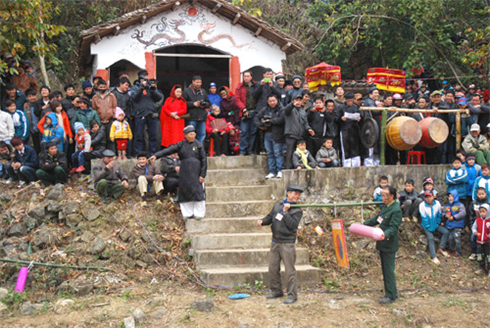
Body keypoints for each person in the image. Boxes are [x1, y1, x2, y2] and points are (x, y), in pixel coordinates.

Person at [257, 185, 304, 304]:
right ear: (288, 193)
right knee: (273, 268)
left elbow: (292, 225)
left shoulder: (297, 210)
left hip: (287, 243)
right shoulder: (277, 205)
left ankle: (292, 295)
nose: (296, 196)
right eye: (294, 193)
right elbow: (270, 217)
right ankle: (276, 291)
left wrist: (286, 212)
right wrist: (262, 221)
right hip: (275, 242)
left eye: (298, 194)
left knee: (290, 270)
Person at [150, 125, 207, 219]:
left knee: (198, 191)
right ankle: (187, 213)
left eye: (194, 134)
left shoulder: (199, 145)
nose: (192, 136)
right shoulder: (181, 145)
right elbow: (168, 150)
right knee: (185, 190)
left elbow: (204, 160)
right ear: (185, 135)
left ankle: (199, 213)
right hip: (184, 169)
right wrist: (156, 155)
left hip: (196, 170)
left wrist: (202, 174)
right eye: (190, 134)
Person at [363, 185, 402, 304]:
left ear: (391, 196)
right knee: (385, 269)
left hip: (388, 244)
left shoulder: (396, 210)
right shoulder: (386, 207)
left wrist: (383, 235)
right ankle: (392, 291)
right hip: (382, 243)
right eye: (382, 195)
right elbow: (377, 219)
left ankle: (390, 296)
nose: (382, 197)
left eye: (385, 195)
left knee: (388, 270)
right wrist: (363, 225)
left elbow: (393, 228)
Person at [131, 70, 164, 155]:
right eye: (143, 77)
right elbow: (134, 98)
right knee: (138, 135)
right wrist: (141, 89)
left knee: (153, 136)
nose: (145, 79)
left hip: (151, 114)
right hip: (140, 114)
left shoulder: (150, 86)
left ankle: (151, 153)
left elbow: (159, 97)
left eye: (146, 76)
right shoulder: (135, 87)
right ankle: (138, 153)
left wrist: (152, 89)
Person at [254, 94, 285, 179]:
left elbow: (281, 119)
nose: (272, 103)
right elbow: (256, 118)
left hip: (278, 134)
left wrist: (270, 121)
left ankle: (280, 170)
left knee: (278, 153)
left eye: (273, 101)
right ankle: (272, 171)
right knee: (270, 154)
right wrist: (260, 125)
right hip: (267, 133)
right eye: (270, 101)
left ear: (277, 100)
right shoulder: (265, 109)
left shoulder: (281, 109)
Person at [419, 190, 450, 265]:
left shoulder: (437, 203)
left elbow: (439, 215)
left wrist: (437, 224)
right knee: (431, 238)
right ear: (424, 198)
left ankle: (441, 248)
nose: (429, 198)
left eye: (430, 196)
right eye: (427, 197)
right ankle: (434, 256)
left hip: (435, 224)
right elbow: (424, 218)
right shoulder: (422, 205)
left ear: (433, 196)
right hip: (427, 226)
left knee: (446, 232)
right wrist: (428, 227)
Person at [284, 95, 313, 169]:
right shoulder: (290, 109)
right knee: (290, 154)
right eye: (296, 100)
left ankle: (299, 167)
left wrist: (309, 129)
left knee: (300, 153)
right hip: (290, 134)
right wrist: (292, 105)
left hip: (300, 135)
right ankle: (288, 169)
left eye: (299, 100)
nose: (298, 102)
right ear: (292, 101)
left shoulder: (303, 111)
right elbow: (286, 110)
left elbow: (305, 123)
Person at [235, 71, 258, 155]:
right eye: (245, 76)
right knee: (244, 132)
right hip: (245, 112)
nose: (246, 78)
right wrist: (243, 109)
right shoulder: (239, 87)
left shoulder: (256, 86)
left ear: (251, 77)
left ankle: (250, 150)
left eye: (248, 76)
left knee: (253, 132)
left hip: (255, 111)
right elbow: (237, 99)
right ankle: (242, 150)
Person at [182, 75, 210, 143]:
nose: (199, 84)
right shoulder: (187, 91)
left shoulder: (203, 91)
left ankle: (199, 149)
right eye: (197, 82)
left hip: (202, 116)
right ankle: (190, 150)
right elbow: (182, 103)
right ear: (193, 82)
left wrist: (204, 104)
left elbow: (209, 103)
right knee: (190, 134)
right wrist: (193, 104)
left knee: (202, 134)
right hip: (192, 117)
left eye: (200, 82)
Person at [92, 79, 117, 152]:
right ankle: (102, 154)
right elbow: (94, 109)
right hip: (100, 121)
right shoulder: (95, 97)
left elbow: (114, 107)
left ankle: (112, 153)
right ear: (97, 87)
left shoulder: (111, 96)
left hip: (110, 120)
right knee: (102, 138)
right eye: (101, 87)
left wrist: (113, 116)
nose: (102, 88)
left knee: (111, 138)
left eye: (104, 87)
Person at [339, 92, 362, 167]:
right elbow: (336, 118)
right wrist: (341, 118)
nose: (350, 102)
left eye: (351, 101)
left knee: (355, 148)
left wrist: (359, 118)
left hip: (354, 130)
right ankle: (346, 165)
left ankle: (356, 165)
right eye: (348, 101)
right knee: (346, 148)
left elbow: (359, 115)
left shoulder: (355, 107)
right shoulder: (341, 107)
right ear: (345, 100)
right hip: (345, 130)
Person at [442, 190, 466, 257]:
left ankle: (458, 251)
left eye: (452, 196)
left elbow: (462, 213)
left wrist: (454, 217)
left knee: (456, 237)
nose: (450, 198)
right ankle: (451, 248)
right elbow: (443, 213)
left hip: (458, 225)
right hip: (449, 225)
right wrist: (445, 215)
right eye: (449, 196)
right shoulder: (447, 206)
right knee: (450, 238)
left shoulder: (460, 205)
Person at [469, 188, 490, 261]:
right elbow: (471, 214)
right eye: (479, 194)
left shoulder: (488, 203)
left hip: (487, 225)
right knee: (473, 237)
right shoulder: (474, 203)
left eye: (482, 194)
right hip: (477, 224)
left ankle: (486, 254)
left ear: (485, 194)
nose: (481, 196)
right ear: (477, 194)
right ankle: (475, 252)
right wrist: (471, 225)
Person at [472, 204, 490, 275]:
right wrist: (475, 232)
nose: (482, 213)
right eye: (481, 212)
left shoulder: (489, 221)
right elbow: (474, 227)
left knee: (489, 256)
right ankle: (481, 268)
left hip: (488, 242)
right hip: (479, 242)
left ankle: (489, 269)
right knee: (480, 256)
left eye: (484, 211)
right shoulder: (477, 220)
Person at [24, 88, 41, 153]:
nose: (32, 98)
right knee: (36, 147)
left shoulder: (39, 104)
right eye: (30, 96)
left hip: (41, 129)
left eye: (33, 96)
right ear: (27, 98)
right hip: (33, 130)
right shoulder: (26, 107)